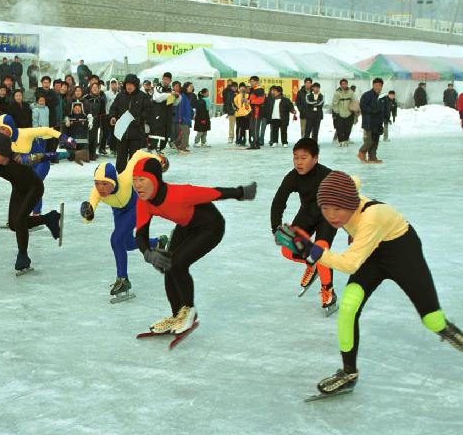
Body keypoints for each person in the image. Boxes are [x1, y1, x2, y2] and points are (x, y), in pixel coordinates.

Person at [278, 171, 463, 396]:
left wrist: (309, 249)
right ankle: (348, 373)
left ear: (350, 203)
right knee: (348, 308)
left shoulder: (371, 217)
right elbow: (350, 183)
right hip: (372, 254)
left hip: (403, 253)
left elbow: (350, 264)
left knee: (433, 321)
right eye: (326, 209)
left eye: (337, 209)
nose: (332, 216)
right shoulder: (345, 198)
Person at [133, 157, 256, 335]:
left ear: (155, 179)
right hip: (185, 227)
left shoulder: (180, 193)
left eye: (142, 180)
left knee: (178, 263)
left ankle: (189, 311)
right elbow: (141, 234)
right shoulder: (143, 202)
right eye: (134, 180)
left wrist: (241, 192)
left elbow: (214, 193)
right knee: (168, 266)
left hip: (211, 227)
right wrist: (148, 254)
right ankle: (177, 315)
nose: (138, 185)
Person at [0, 132, 64, 273]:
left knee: (20, 220)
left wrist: (73, 155)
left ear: (5, 153)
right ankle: (49, 218)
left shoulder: (20, 159)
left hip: (35, 188)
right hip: (19, 190)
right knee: (14, 225)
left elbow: (46, 156)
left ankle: (23, 256)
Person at [81, 150, 168, 299]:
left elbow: (138, 154)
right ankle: (157, 242)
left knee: (116, 239)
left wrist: (157, 160)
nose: (100, 187)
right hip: (119, 213)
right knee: (126, 244)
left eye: (104, 183)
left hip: (136, 207)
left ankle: (123, 279)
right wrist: (87, 214)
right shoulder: (96, 192)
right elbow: (90, 211)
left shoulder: (126, 178)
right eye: (96, 183)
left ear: (113, 181)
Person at [270, 138, 338, 311]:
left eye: (303, 158)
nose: (298, 162)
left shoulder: (328, 175)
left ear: (315, 158)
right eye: (295, 157)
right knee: (287, 248)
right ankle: (311, 264)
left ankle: (328, 289)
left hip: (327, 216)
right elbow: (278, 202)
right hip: (307, 213)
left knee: (320, 250)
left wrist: (353, 230)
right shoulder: (293, 177)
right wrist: (276, 228)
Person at [0, 113, 77, 216]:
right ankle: (17, 215)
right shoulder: (4, 141)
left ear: (10, 127)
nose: (1, 132)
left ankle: (36, 214)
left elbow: (46, 130)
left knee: (33, 185)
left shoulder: (24, 133)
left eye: (3, 129)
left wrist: (64, 137)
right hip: (27, 165)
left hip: (41, 162)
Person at [108, 74, 151, 173]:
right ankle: (120, 175)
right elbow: (113, 108)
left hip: (136, 132)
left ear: (135, 85)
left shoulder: (143, 97)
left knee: (134, 158)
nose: (129, 86)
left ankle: (133, 176)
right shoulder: (120, 96)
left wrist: (139, 120)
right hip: (122, 132)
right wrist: (113, 117)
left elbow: (148, 111)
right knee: (121, 158)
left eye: (131, 84)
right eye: (127, 84)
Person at [358, 78, 386, 164]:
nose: (378, 87)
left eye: (379, 85)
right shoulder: (367, 95)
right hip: (369, 122)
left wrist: (385, 118)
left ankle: (372, 157)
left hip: (378, 122)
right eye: (376, 85)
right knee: (369, 140)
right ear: (373, 85)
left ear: (382, 86)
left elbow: (384, 109)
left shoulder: (382, 97)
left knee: (375, 140)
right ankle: (362, 152)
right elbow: (363, 106)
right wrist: (372, 110)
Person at [331, 79, 355, 147]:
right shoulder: (337, 93)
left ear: (347, 84)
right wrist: (336, 112)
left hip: (349, 113)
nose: (344, 85)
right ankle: (341, 141)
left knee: (348, 128)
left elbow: (354, 100)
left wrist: (353, 109)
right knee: (340, 128)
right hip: (340, 113)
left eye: (345, 84)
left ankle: (346, 139)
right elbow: (334, 103)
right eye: (343, 84)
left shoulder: (351, 92)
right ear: (340, 85)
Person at [247, 77, 266, 149]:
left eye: (253, 81)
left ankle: (256, 143)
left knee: (255, 128)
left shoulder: (260, 90)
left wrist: (250, 101)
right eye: (250, 81)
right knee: (252, 128)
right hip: (252, 111)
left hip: (257, 112)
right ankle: (253, 142)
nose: (251, 83)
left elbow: (261, 100)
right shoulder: (252, 90)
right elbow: (251, 99)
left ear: (257, 82)